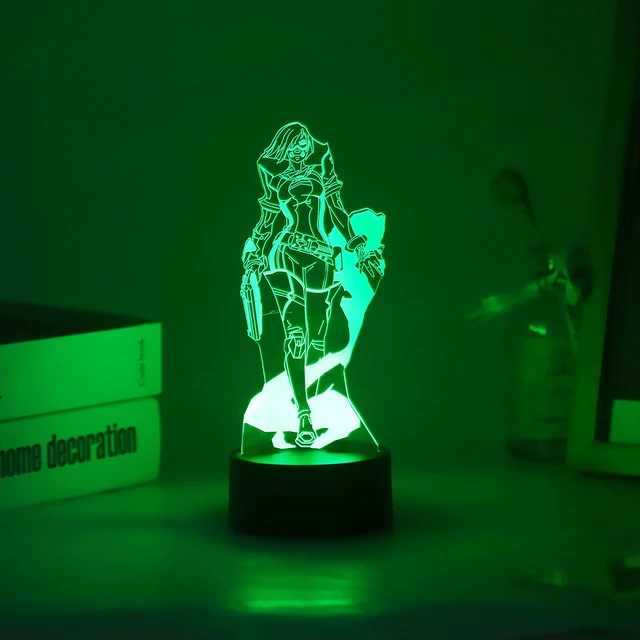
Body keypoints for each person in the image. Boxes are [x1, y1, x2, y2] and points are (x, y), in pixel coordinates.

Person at [241, 122, 384, 448]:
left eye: (304, 143)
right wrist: (255, 252)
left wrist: (358, 246)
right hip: (285, 255)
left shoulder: (322, 171)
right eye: (294, 144)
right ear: (285, 147)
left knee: (316, 339)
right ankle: (303, 414)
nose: (300, 149)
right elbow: (267, 223)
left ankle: (312, 402)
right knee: (296, 336)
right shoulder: (275, 179)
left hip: (320, 256)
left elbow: (337, 211)